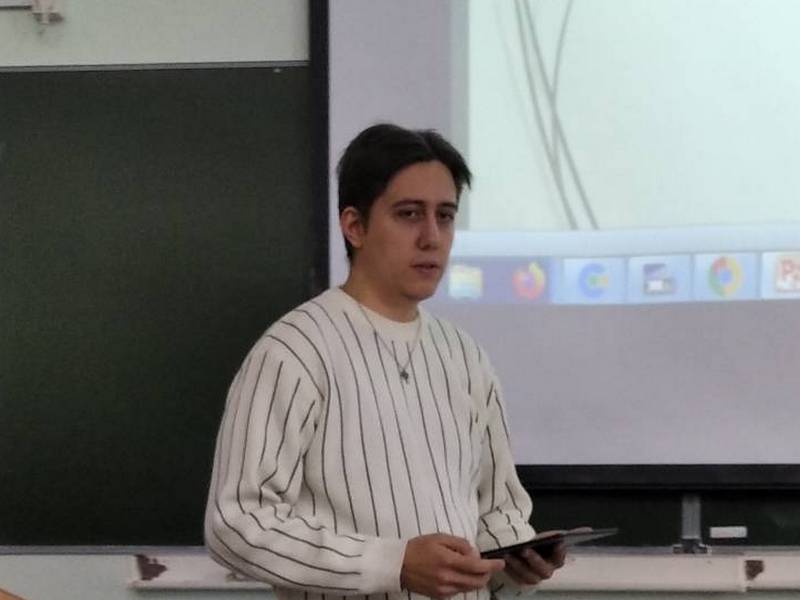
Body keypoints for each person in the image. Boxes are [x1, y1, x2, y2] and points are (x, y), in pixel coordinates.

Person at [205, 123, 565, 600]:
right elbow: (237, 523)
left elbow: (496, 512)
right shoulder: (294, 352)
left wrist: (514, 562)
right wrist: (390, 564)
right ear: (354, 226)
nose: (432, 237)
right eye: (409, 214)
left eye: (445, 216)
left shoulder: (465, 356)